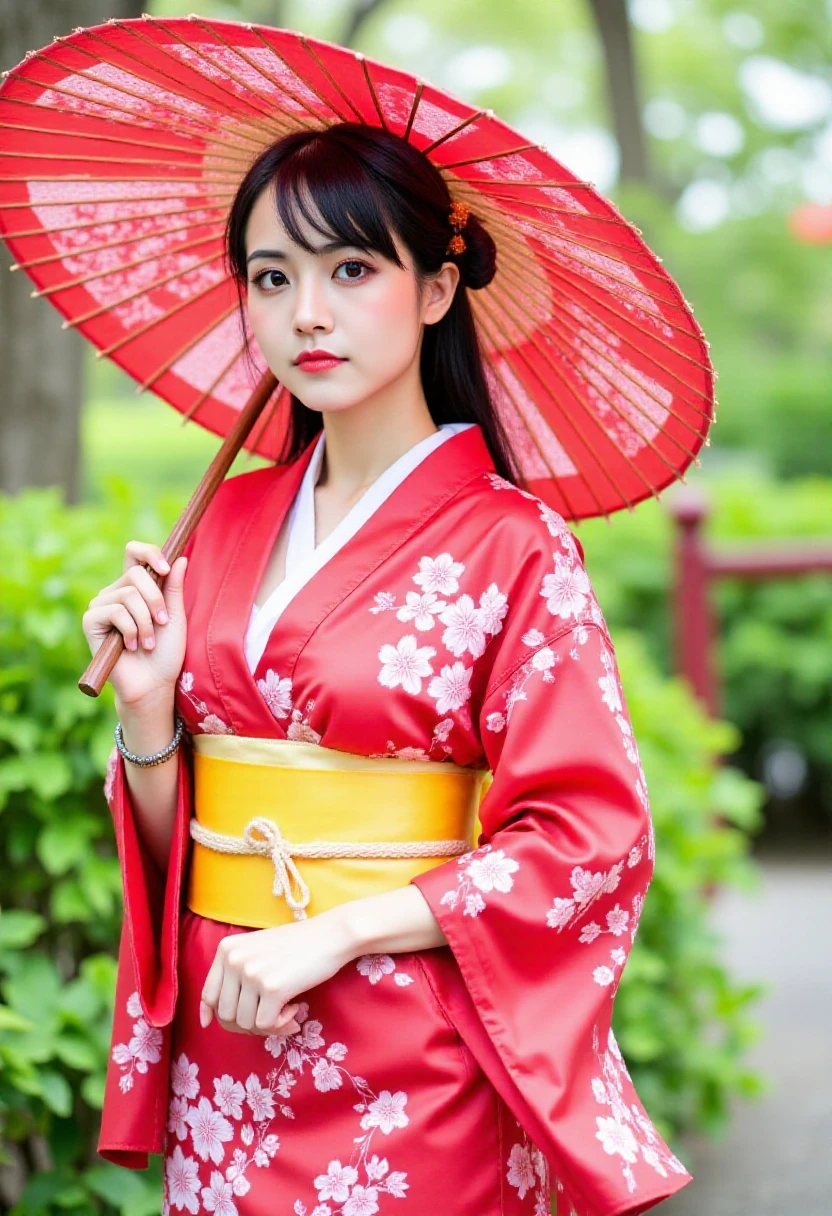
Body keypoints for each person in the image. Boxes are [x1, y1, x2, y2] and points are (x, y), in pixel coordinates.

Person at [83, 121, 692, 1216]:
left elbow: (587, 838)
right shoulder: (218, 524)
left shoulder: (516, 544)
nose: (305, 313)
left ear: (435, 289)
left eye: (351, 269)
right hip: (230, 1057)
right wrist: (146, 717)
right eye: (272, 277)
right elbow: (189, 852)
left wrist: (343, 926)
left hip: (414, 1067)